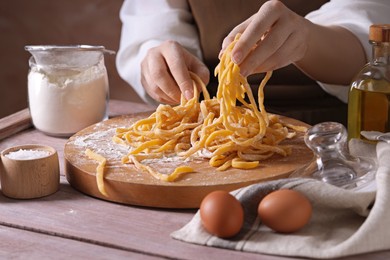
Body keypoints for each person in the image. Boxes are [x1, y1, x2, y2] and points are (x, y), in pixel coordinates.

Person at [116, 0, 390, 124]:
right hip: (206, 124)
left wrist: (308, 40)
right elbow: (151, 21)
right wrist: (156, 54)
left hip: (336, 129)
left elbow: (373, 37)